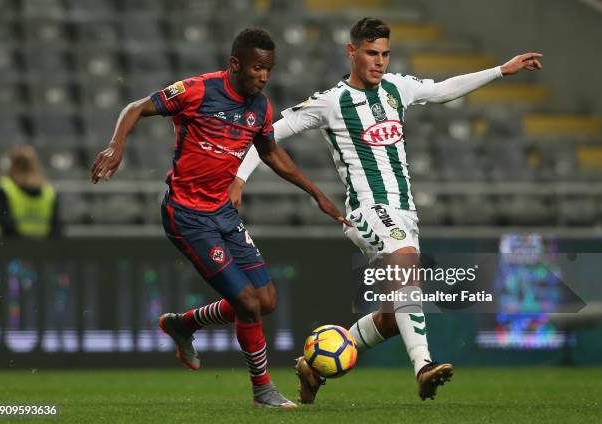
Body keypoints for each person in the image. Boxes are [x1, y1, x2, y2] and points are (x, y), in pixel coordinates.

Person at [229, 17, 543, 403]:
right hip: (367, 209)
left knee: (393, 318)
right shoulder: (330, 102)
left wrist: (500, 70)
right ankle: (423, 366)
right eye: (371, 53)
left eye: (384, 54)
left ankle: (313, 369)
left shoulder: (397, 88)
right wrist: (240, 178)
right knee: (405, 261)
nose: (379, 62)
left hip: (405, 213)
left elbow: (444, 90)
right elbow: (268, 135)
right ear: (352, 52)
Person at [89, 28, 348, 408]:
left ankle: (183, 324)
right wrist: (116, 145)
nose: (264, 76)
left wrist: (317, 194)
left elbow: (272, 153)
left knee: (266, 299)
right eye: (258, 68)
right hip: (187, 214)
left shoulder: (261, 107)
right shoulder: (197, 90)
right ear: (235, 64)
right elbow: (135, 107)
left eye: (269, 69)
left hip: (223, 212)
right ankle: (263, 390)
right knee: (246, 301)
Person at [0, 145, 61, 238]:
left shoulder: (5, 188)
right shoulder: (49, 190)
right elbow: (56, 225)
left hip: (14, 246)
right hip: (43, 246)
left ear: (13, 164)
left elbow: (4, 222)